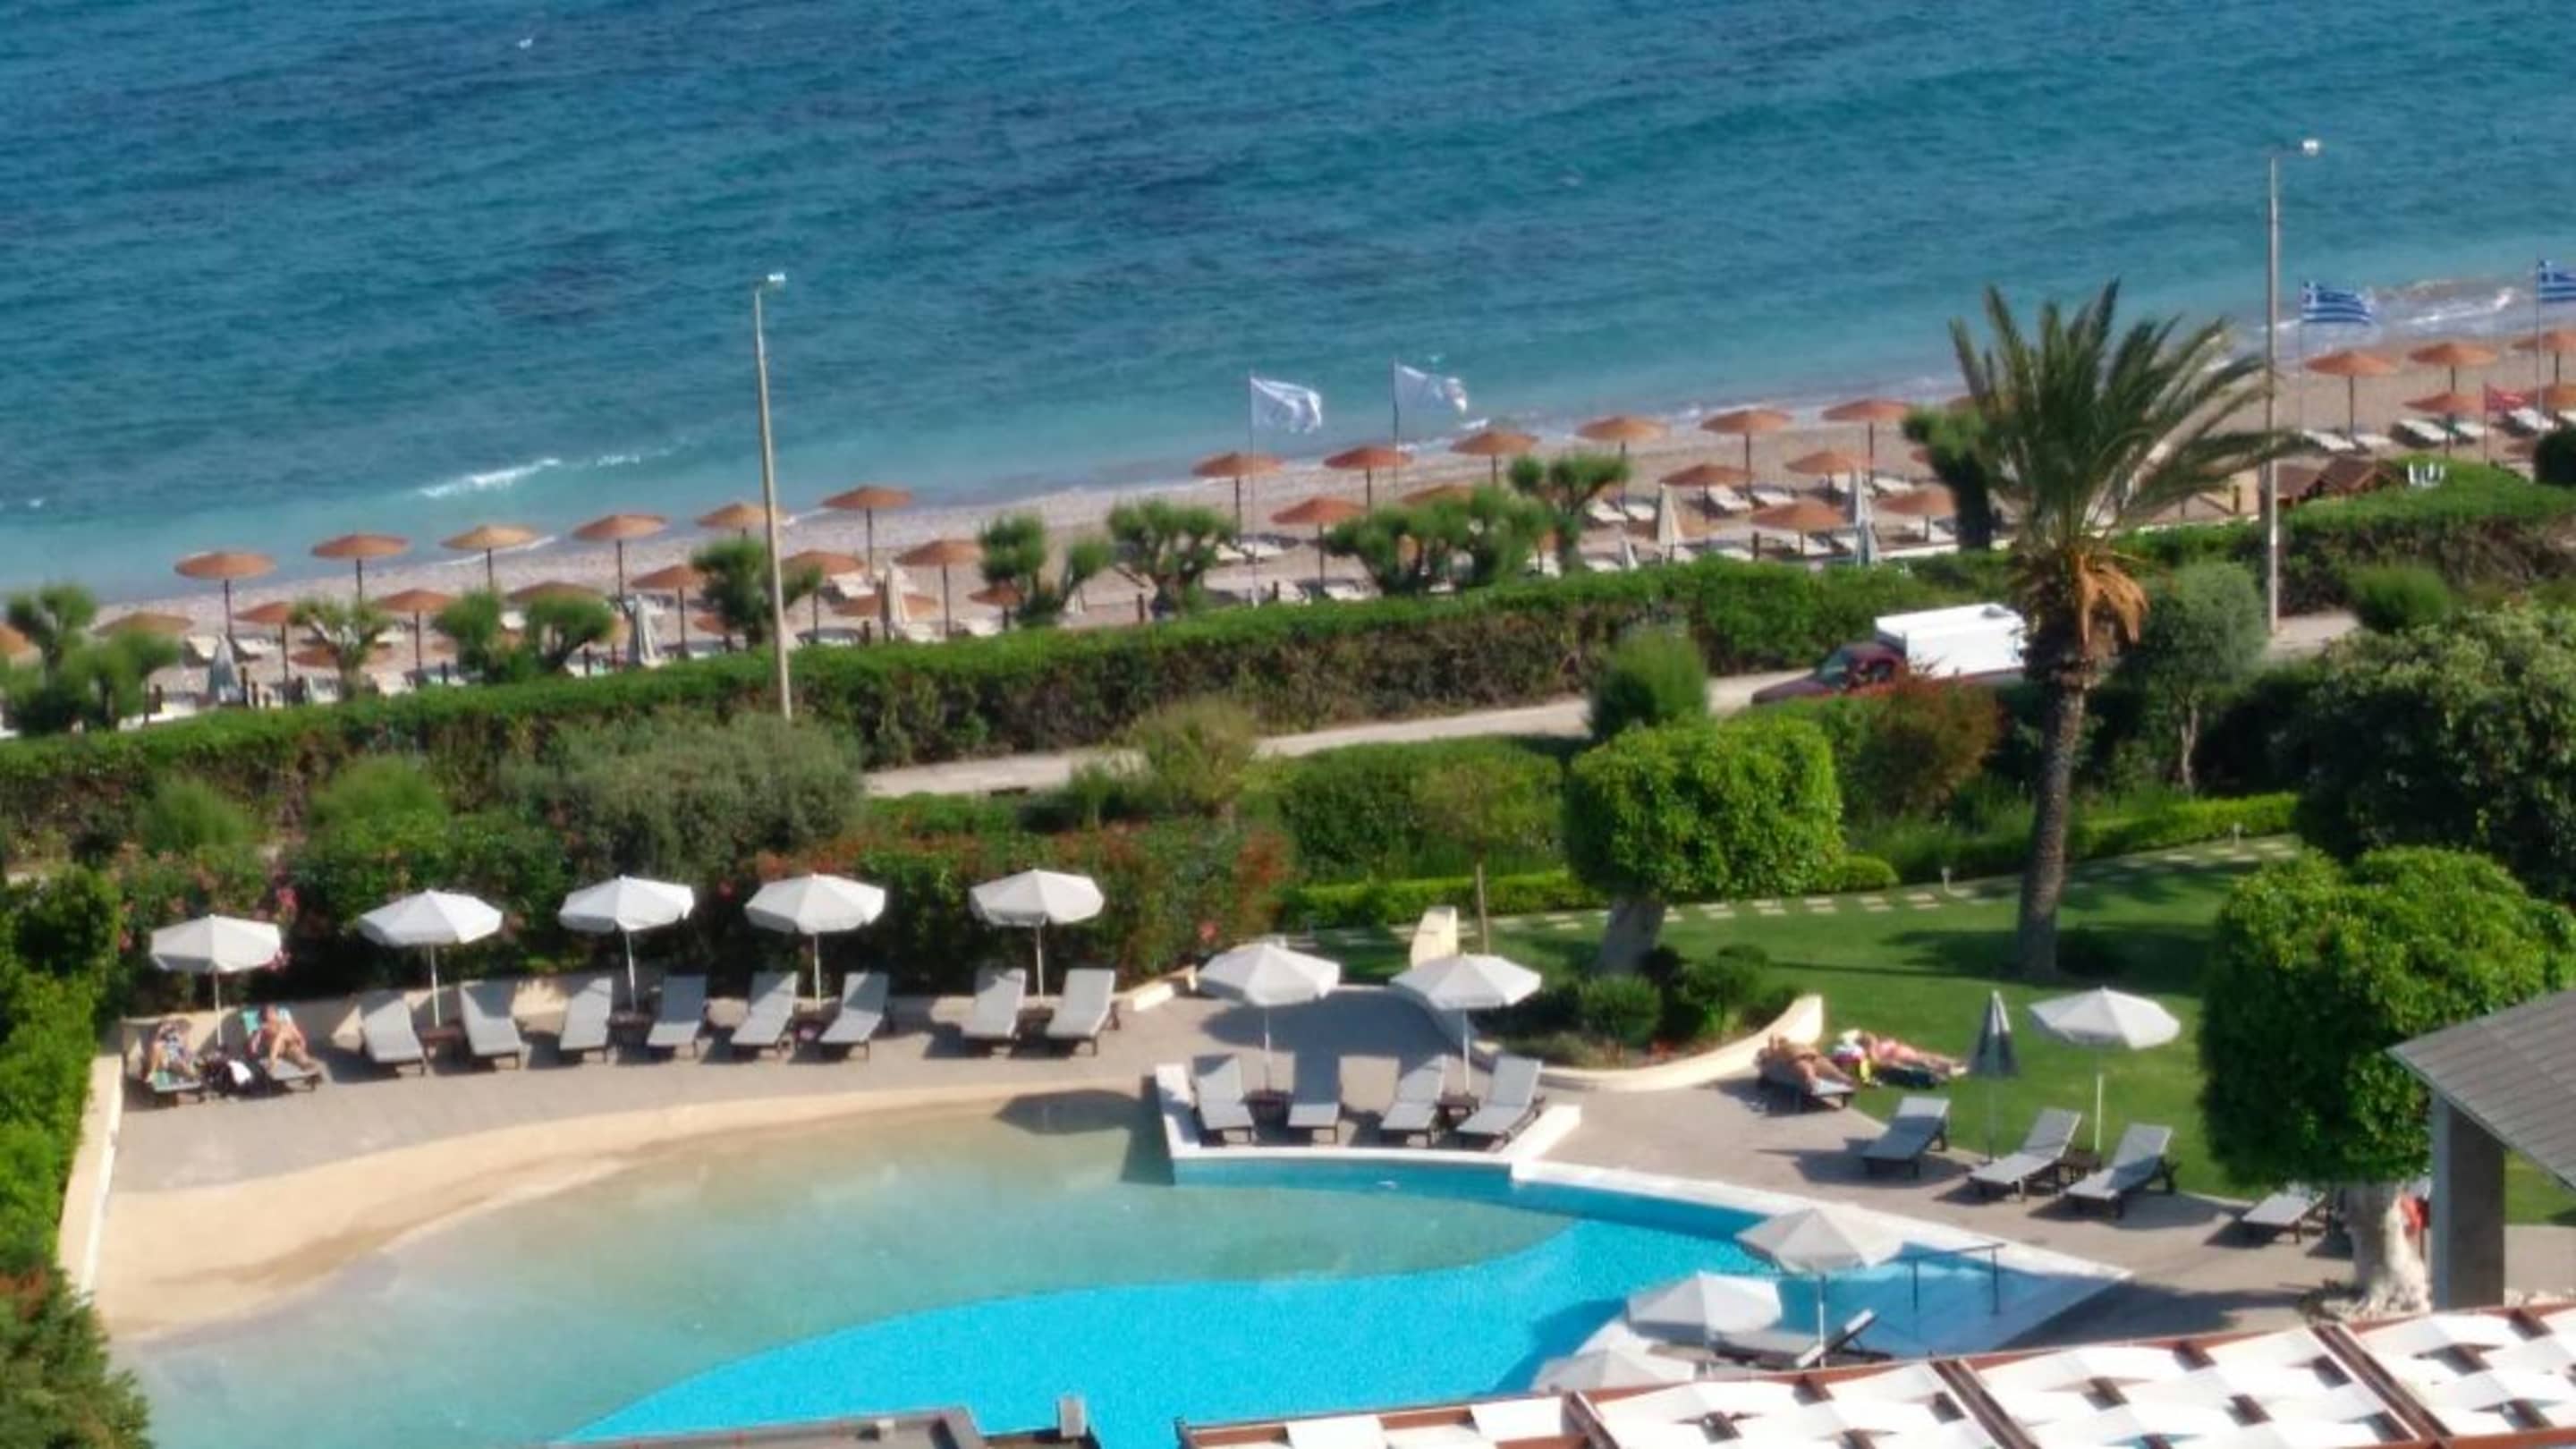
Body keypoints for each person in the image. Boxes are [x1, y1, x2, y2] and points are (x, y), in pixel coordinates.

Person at [1856, 1031, 1964, 1079]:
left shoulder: (1881, 1041)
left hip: (1908, 1052)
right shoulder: (1871, 1051)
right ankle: (1948, 1070)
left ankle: (1955, 1062)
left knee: (1932, 1056)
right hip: (1901, 1057)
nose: (1871, 1037)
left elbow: (1892, 1041)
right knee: (1924, 1062)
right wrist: (1872, 1047)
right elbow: (1878, 1062)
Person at [252, 1004, 314, 1071]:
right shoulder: (264, 1026)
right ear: (264, 1015)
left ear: (276, 1013)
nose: (271, 1014)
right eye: (268, 1012)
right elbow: (256, 1040)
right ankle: (272, 1061)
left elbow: (300, 1038)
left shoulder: (287, 1023)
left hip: (289, 1047)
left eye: (273, 1011)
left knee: (293, 1047)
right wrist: (254, 1051)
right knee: (281, 1034)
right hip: (276, 1049)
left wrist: (302, 1048)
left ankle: (304, 1063)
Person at [146, 1018, 198, 1082]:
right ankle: (152, 1073)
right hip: (163, 1060)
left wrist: (186, 1059)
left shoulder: (179, 1038)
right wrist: (162, 1033)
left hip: (173, 1061)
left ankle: (191, 1075)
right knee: (157, 1046)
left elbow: (186, 1050)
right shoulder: (160, 1039)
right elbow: (155, 1045)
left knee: (184, 1064)